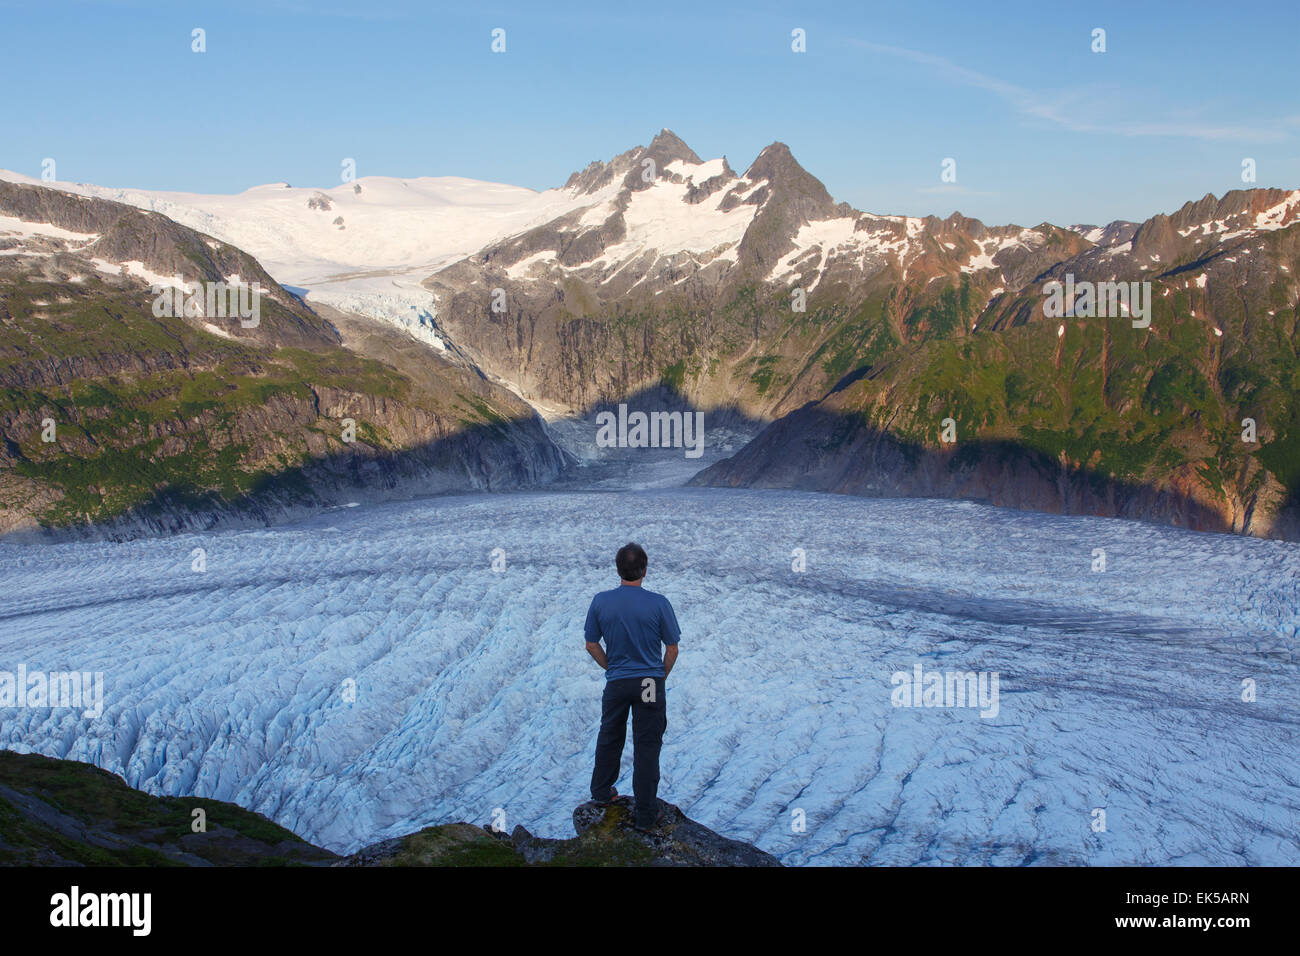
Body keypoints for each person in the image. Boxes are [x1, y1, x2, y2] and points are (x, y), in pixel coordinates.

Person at [584, 542, 681, 830]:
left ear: (618, 570)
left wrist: (611, 668)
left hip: (617, 680)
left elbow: (591, 644)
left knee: (610, 735)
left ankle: (602, 792)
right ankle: (647, 815)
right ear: (645, 570)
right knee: (647, 745)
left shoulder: (601, 601)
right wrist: (657, 676)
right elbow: (672, 648)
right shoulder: (659, 603)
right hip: (649, 682)